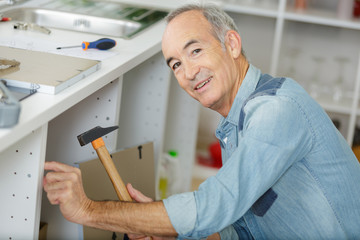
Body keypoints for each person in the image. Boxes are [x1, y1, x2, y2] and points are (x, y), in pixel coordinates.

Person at [43, 3, 360, 239]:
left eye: (195, 50)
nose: (189, 72)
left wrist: (89, 210)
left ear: (232, 45)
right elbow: (241, 231)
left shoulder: (275, 111)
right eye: (177, 64)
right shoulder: (235, 126)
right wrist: (162, 227)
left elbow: (215, 206)